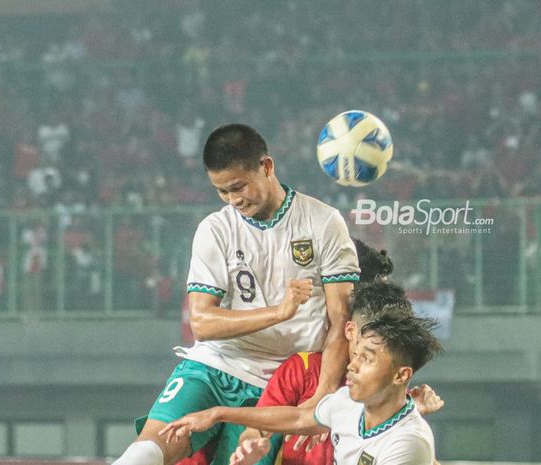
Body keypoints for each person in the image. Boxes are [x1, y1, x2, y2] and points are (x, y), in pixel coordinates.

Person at [111, 124, 360, 465]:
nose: (233, 200)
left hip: (281, 385)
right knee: (148, 448)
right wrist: (278, 312)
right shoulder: (215, 230)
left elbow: (341, 319)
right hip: (215, 365)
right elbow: (202, 323)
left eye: (239, 186)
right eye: (222, 191)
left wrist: (322, 396)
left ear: (267, 167)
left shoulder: (323, 222)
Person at [159, 281, 443, 465]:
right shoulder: (347, 401)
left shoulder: (407, 442)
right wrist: (218, 413)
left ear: (401, 375)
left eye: (366, 359)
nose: (352, 365)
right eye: (356, 354)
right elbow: (297, 417)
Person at [229, 240, 443, 465]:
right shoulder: (302, 367)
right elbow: (258, 429)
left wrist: (412, 417)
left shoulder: (388, 385)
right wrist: (249, 442)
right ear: (351, 328)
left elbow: (413, 450)